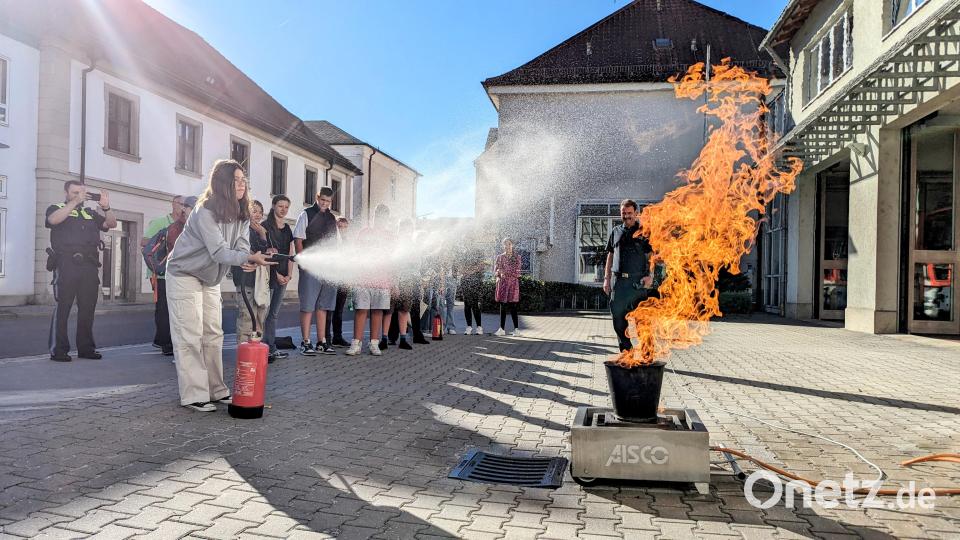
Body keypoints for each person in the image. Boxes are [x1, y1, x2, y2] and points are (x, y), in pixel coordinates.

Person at [165, 159, 274, 412]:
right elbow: (218, 251)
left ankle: (216, 390)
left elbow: (242, 245)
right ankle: (194, 394)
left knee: (213, 334)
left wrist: (247, 259)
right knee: (189, 335)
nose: (241, 185)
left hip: (210, 277)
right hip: (185, 274)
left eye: (243, 180)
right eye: (235, 180)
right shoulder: (205, 212)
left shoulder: (242, 212)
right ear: (222, 183)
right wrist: (245, 259)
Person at [45, 181, 116, 362]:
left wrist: (106, 208)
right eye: (75, 192)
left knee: (87, 309)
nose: (79, 195)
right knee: (63, 307)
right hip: (66, 263)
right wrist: (74, 202)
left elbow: (111, 223)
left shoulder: (89, 213)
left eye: (82, 192)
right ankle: (58, 350)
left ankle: (86, 348)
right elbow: (53, 220)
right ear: (66, 192)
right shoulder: (58, 208)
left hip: (89, 265)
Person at [293, 187, 340, 355]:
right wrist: (302, 261)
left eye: (328, 201)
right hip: (310, 267)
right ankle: (305, 342)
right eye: (322, 200)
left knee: (324, 306)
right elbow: (298, 239)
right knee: (307, 306)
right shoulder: (305, 214)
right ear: (317, 197)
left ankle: (322, 342)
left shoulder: (332, 218)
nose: (324, 204)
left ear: (331, 201)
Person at [603, 199, 653, 352]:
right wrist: (606, 279)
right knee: (618, 320)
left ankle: (647, 353)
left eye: (629, 213)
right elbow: (610, 256)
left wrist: (650, 275)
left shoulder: (644, 231)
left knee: (642, 321)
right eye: (623, 213)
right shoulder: (615, 231)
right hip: (619, 283)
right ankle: (626, 352)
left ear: (636, 213)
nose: (626, 216)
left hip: (637, 282)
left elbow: (651, 255)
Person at [346, 204, 393, 356]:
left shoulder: (389, 236)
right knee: (361, 310)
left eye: (384, 217)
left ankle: (374, 343)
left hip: (382, 279)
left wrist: (393, 282)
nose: (381, 219)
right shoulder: (364, 233)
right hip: (363, 279)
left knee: (378, 311)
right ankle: (356, 343)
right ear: (374, 216)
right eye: (378, 216)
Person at [143, 195, 184, 353]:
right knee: (163, 307)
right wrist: (166, 241)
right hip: (160, 272)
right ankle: (164, 342)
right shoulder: (160, 222)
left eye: (185, 205)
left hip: (177, 272)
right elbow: (145, 242)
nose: (183, 207)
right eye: (181, 204)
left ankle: (171, 340)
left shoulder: (185, 224)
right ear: (173, 205)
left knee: (176, 308)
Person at [159, 195, 196, 357]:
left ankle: (185, 350)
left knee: (189, 318)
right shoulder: (177, 228)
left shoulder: (191, 226)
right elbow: (178, 252)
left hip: (191, 276)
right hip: (181, 277)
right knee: (181, 318)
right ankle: (179, 351)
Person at [232, 200, 271, 344]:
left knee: (260, 316)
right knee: (247, 317)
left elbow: (264, 252)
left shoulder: (261, 231)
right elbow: (243, 252)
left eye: (260, 212)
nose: (258, 215)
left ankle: (256, 350)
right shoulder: (240, 230)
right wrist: (255, 260)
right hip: (245, 279)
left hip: (259, 281)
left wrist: (262, 235)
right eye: (254, 211)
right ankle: (243, 353)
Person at [262, 195, 294, 362]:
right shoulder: (265, 226)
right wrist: (276, 274)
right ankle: (264, 347)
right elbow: (265, 255)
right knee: (264, 312)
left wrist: (289, 275)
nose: (283, 209)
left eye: (286, 207)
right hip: (269, 276)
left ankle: (272, 347)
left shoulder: (288, 228)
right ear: (273, 206)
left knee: (273, 314)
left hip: (283, 276)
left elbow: (290, 253)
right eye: (280, 206)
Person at [327, 217, 352, 347]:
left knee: (339, 310)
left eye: (345, 227)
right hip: (331, 280)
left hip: (344, 280)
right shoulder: (332, 241)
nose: (342, 230)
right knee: (328, 309)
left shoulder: (348, 243)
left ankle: (338, 337)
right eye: (340, 227)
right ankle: (327, 337)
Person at [494, 237, 522, 336]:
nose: (507, 246)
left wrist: (504, 272)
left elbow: (517, 272)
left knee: (513, 306)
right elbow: (496, 270)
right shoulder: (500, 257)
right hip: (503, 284)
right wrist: (498, 273)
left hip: (513, 285)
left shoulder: (517, 257)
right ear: (503, 246)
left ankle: (516, 330)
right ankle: (501, 329)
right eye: (505, 244)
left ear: (512, 245)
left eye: (509, 244)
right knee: (503, 306)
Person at [460, 243, 486, 335]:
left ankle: (479, 327)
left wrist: (470, 271)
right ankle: (469, 327)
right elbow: (460, 269)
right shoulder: (463, 254)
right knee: (467, 304)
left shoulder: (479, 252)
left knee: (475, 304)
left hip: (476, 282)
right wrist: (468, 271)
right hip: (465, 282)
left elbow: (482, 265)